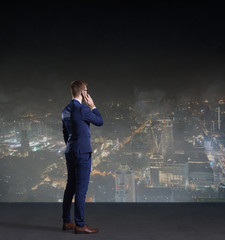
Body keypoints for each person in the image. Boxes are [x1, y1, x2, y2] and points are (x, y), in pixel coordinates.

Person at [61, 80, 103, 234]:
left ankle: (66, 222)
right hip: (82, 153)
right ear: (84, 92)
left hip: (70, 151)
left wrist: (72, 147)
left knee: (70, 187)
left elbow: (65, 134)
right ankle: (80, 225)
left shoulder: (65, 110)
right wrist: (92, 105)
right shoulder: (83, 109)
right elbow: (99, 122)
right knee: (81, 190)